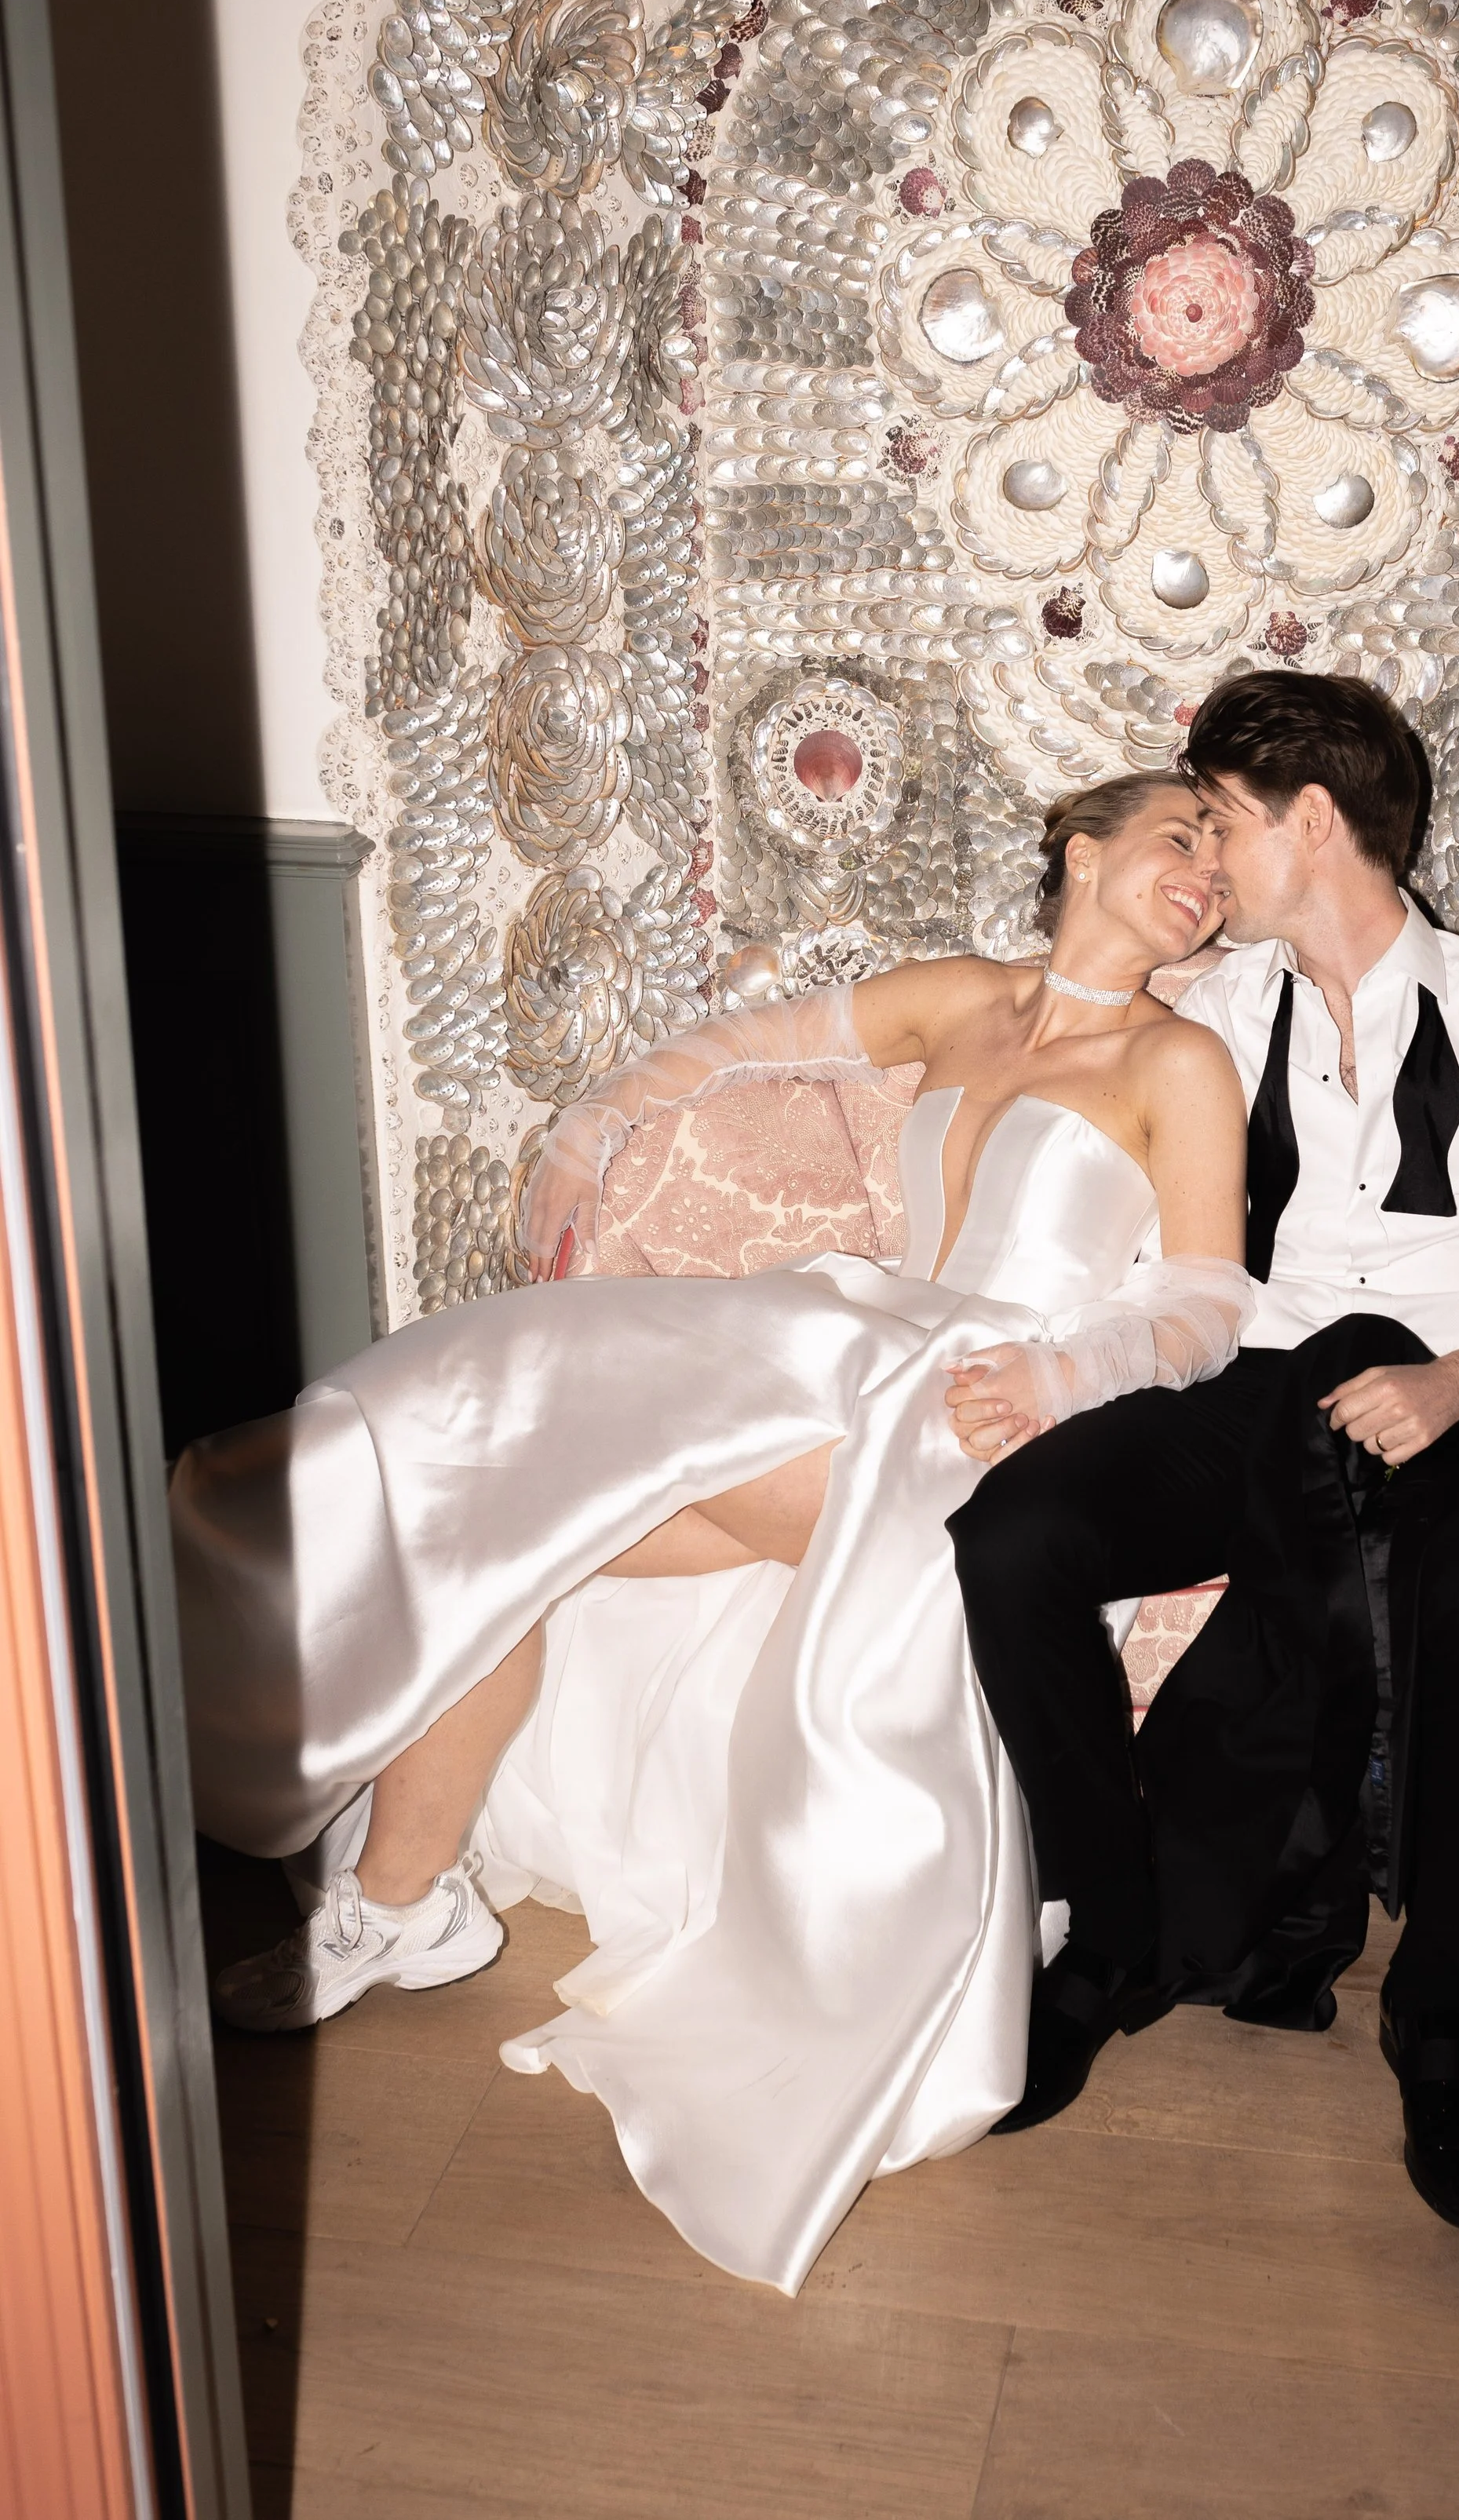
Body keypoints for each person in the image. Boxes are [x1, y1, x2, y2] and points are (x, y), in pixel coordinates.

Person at [173, 772, 1253, 2293]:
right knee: (514, 1514)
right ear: (1083, 850)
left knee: (527, 1498)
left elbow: (1210, 1302)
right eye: (1178, 837)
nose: (1205, 873)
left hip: (971, 1408)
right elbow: (735, 1047)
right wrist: (591, 1125)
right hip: (852, 1340)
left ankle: (391, 1897)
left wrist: (1071, 1368)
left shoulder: (1179, 1056)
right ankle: (395, 1906)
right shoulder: (962, 1000)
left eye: (1221, 856)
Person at [950, 673, 1459, 2234]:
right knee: (1013, 1541)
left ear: (1309, 822)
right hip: (1250, 1387)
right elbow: (1063, 1081)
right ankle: (1106, 1935)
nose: (1205, 861)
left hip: (1439, 1399)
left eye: (1221, 823)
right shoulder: (1210, 1010)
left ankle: (1438, 2007)